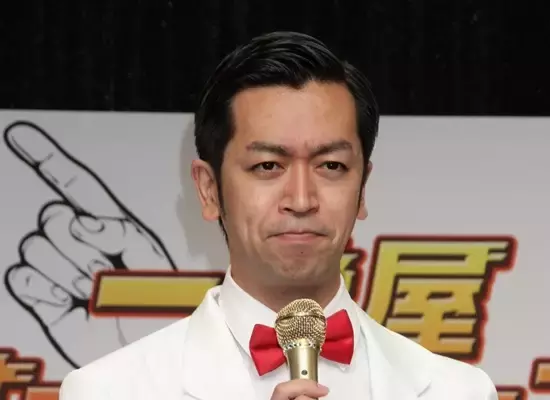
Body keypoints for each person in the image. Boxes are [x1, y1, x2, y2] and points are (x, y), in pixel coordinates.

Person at [58, 31, 498, 400]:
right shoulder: (107, 390)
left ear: (362, 187)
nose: (301, 199)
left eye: (331, 166)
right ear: (209, 189)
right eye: (268, 166)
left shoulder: (459, 391)